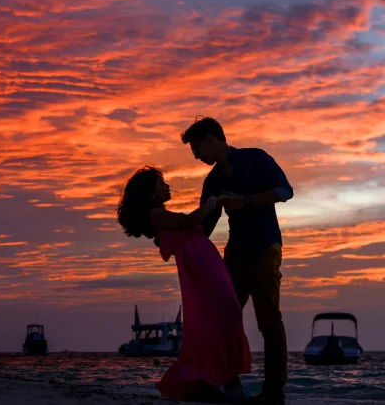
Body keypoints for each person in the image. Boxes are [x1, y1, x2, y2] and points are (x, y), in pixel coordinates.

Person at [181, 117, 293, 405]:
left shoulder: (255, 158)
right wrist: (178, 240)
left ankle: (274, 391)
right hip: (235, 253)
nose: (195, 155)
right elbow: (205, 225)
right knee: (221, 318)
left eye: (196, 148)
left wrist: (245, 200)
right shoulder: (213, 181)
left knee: (269, 321)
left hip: (266, 247)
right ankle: (226, 383)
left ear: (210, 139)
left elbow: (285, 191)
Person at [117, 166, 251, 403]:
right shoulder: (155, 214)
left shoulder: (160, 214)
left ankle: (225, 382)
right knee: (226, 315)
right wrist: (214, 201)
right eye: (161, 184)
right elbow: (191, 219)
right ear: (150, 192)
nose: (166, 186)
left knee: (226, 316)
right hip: (200, 266)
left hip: (205, 261)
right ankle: (221, 383)